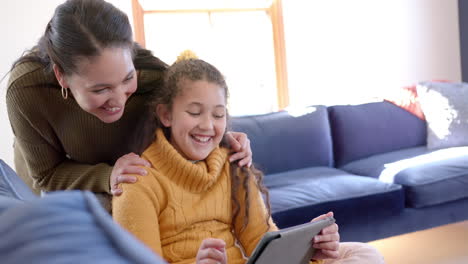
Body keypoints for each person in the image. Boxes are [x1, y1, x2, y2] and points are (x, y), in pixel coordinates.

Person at [112, 52, 384, 264]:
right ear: (166, 115)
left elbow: (262, 242)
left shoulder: (232, 164)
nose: (208, 125)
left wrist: (308, 248)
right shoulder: (137, 180)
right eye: (195, 112)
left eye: (218, 114)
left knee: (363, 254)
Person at [5, 0, 252, 212]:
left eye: (127, 79)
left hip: (129, 179)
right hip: (58, 185)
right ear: (61, 77)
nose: (119, 100)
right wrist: (107, 175)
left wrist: (219, 138)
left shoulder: (154, 77)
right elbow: (46, 175)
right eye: (100, 89)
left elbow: (192, 118)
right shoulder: (27, 91)